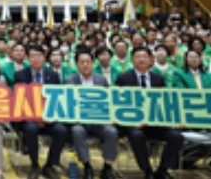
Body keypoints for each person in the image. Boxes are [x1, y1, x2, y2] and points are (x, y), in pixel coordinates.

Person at [116, 46, 183, 179]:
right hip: (133, 123)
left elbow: (163, 103)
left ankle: (162, 170)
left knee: (176, 137)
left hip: (155, 122)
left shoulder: (158, 79)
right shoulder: (123, 78)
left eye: (144, 57)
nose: (141, 59)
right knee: (137, 135)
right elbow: (118, 103)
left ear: (150, 60)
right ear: (132, 60)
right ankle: (147, 171)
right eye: (137, 57)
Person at [13, 44, 67, 179]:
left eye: (39, 55)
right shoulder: (20, 75)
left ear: (44, 57)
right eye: (32, 56)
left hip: (48, 116)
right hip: (30, 117)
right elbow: (19, 101)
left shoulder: (53, 75)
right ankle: (35, 164)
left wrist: (49, 117)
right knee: (30, 129)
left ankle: (50, 165)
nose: (36, 59)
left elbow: (57, 99)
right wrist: (35, 118)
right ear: (28, 58)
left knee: (61, 130)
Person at [65, 49, 117, 179]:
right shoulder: (69, 80)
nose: (85, 65)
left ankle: (107, 167)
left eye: (88, 62)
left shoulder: (101, 80)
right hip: (80, 121)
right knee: (77, 131)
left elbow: (109, 101)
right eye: (82, 62)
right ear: (77, 64)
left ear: (93, 63)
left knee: (111, 131)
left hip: (99, 121)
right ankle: (87, 165)